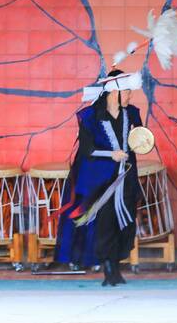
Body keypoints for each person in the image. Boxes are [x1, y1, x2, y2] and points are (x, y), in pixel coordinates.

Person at [54, 69, 143, 287]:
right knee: (105, 221)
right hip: (99, 179)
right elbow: (86, 149)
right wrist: (111, 154)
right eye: (127, 91)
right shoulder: (90, 116)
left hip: (125, 176)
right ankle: (109, 269)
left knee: (123, 221)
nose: (131, 95)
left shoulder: (131, 113)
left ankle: (114, 265)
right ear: (114, 93)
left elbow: (140, 135)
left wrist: (141, 140)